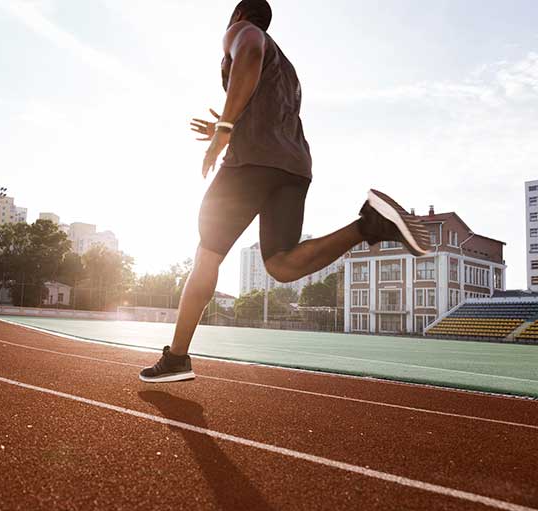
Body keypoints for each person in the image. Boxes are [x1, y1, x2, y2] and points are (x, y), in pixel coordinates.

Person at [139, 0, 431, 382]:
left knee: (206, 257)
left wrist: (225, 130)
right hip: (294, 167)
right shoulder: (288, 71)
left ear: (239, 16)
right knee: (280, 263)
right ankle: (370, 225)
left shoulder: (245, 33)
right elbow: (267, 109)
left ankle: (177, 358)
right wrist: (229, 125)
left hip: (250, 165)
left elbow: (249, 51)